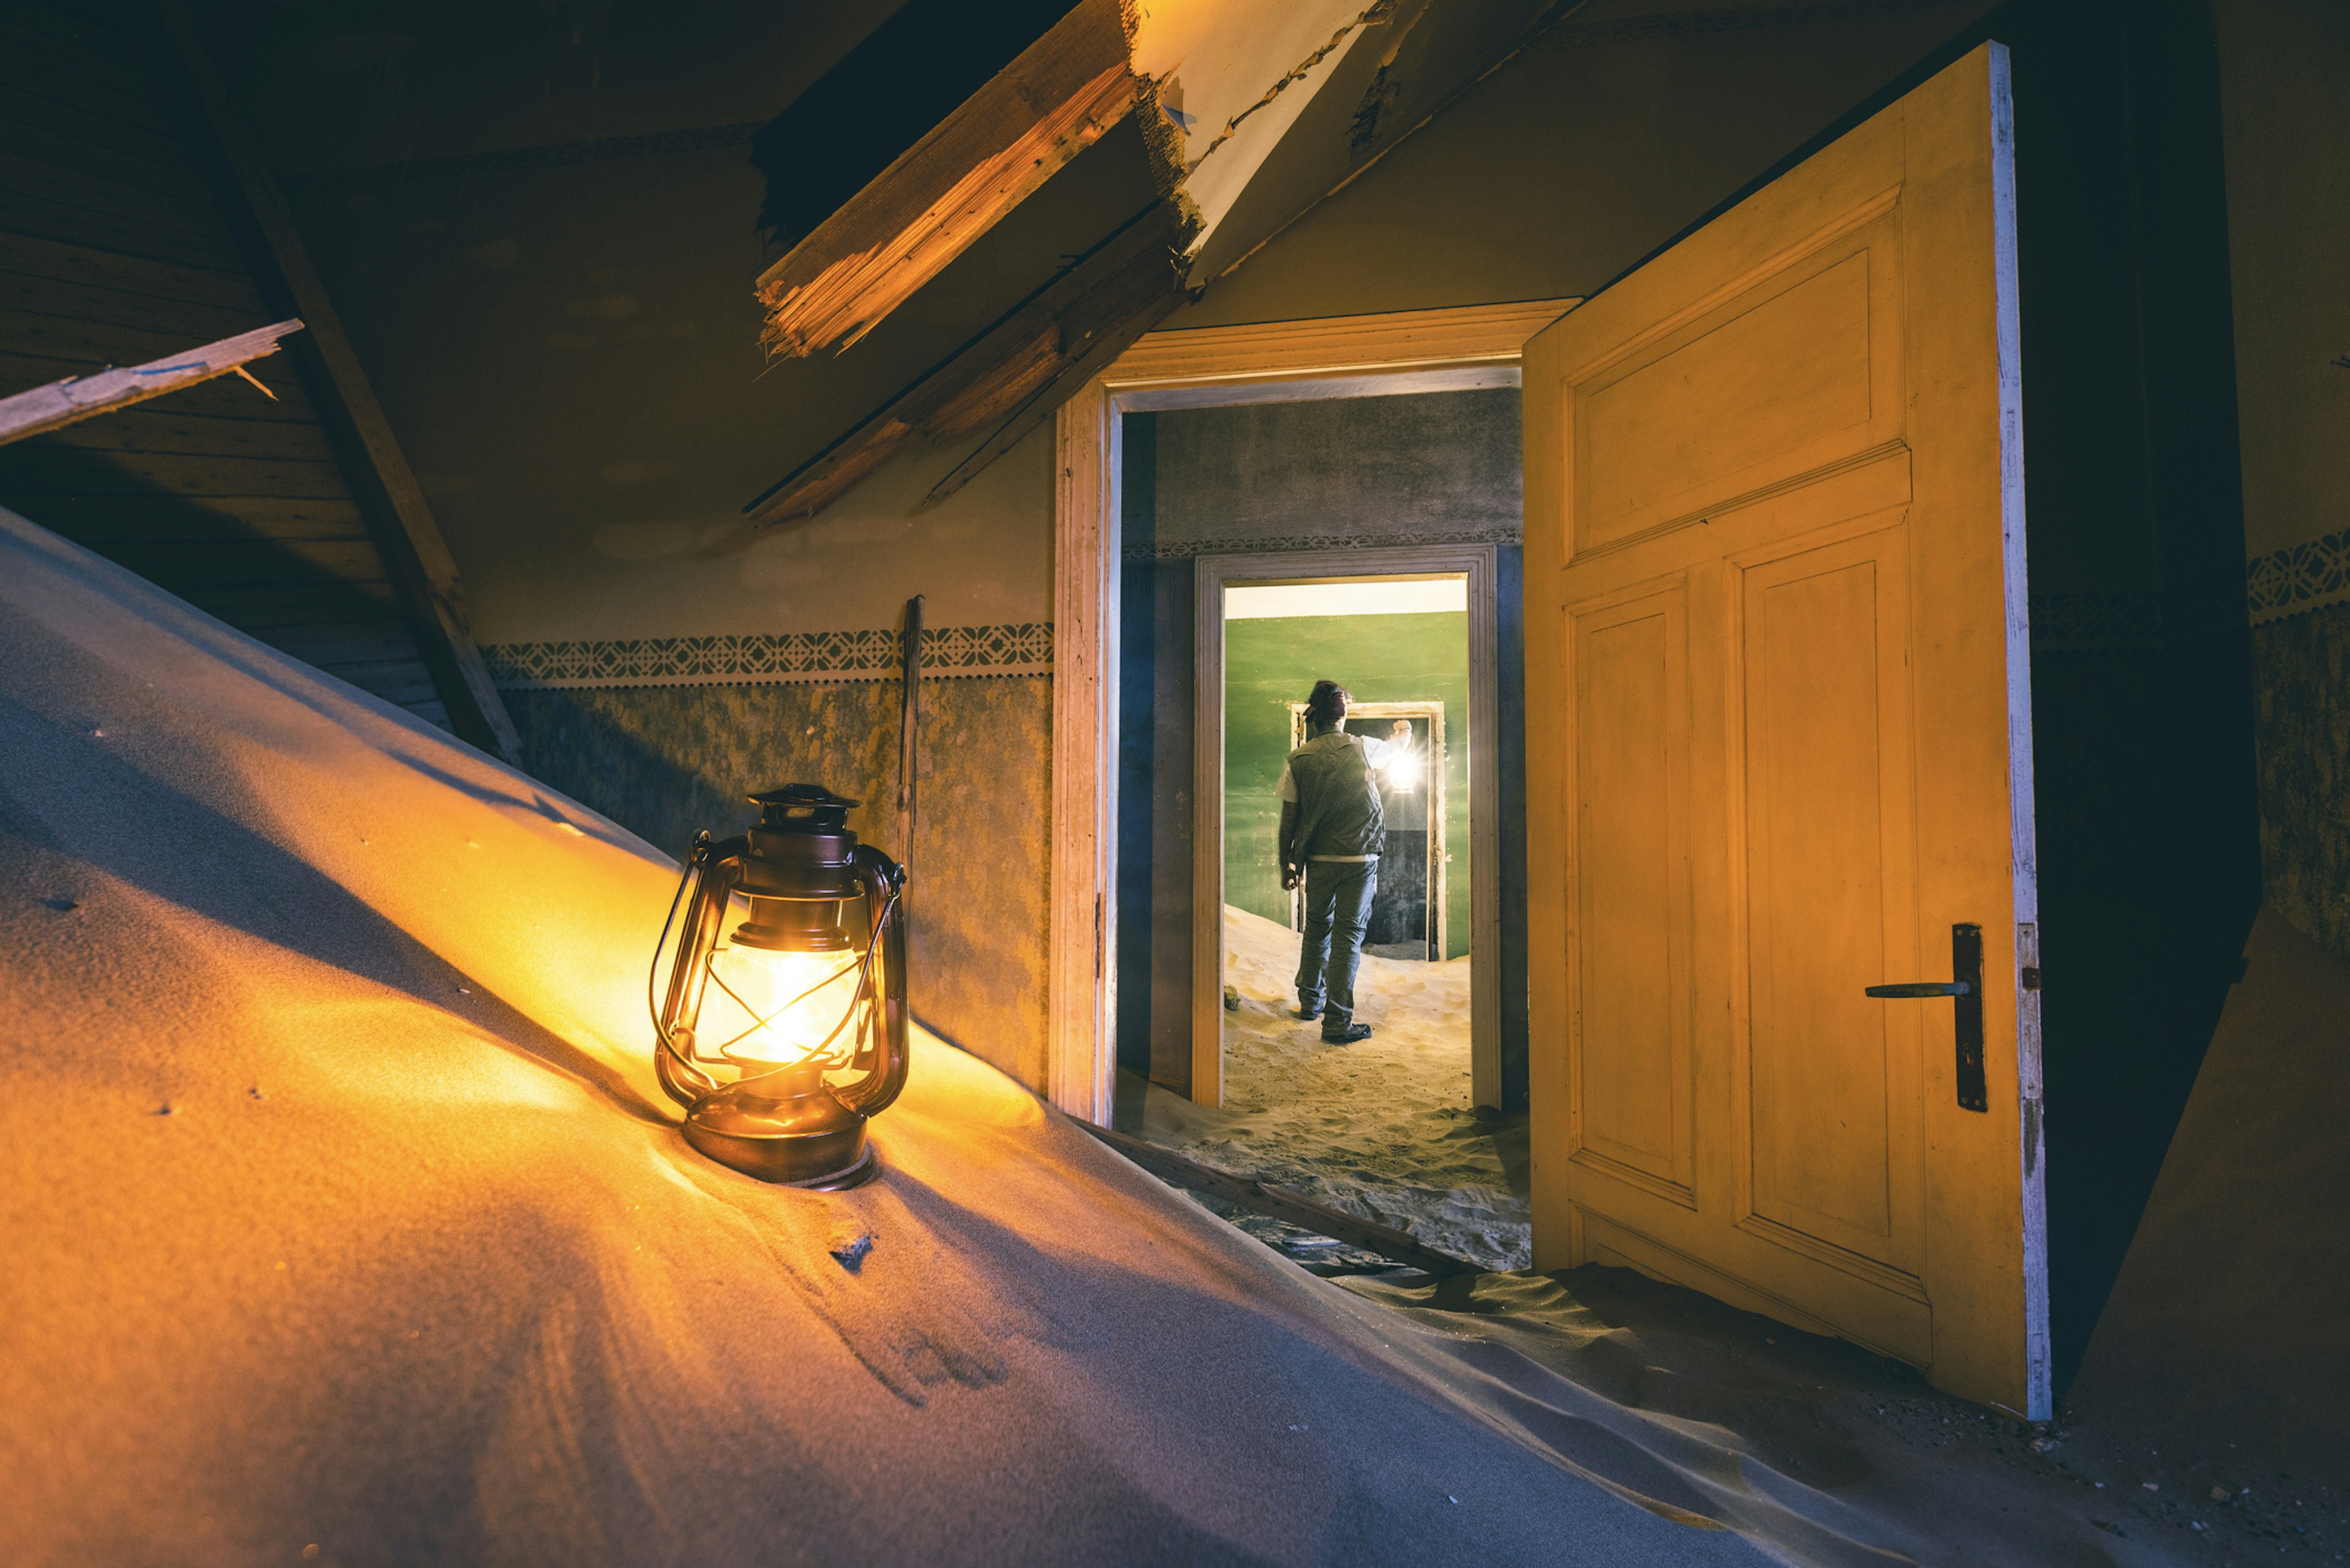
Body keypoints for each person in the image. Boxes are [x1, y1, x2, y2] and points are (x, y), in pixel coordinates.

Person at [1276, 681, 1412, 1045]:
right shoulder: (1364, 747)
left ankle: (1310, 1001)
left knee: (1317, 928)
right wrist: (1404, 730)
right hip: (1360, 856)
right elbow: (1400, 749)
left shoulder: (1298, 760)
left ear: (1315, 717)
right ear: (1344, 713)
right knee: (1348, 937)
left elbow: (1288, 821)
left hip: (1318, 859)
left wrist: (1286, 865)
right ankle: (1337, 1023)